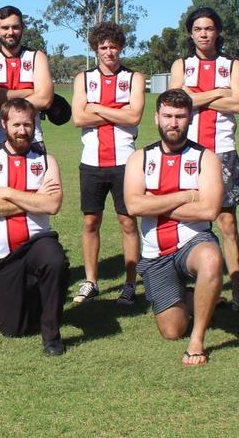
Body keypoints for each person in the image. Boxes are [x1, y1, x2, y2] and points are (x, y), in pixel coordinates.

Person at [124, 90, 223, 366]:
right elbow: (133, 206)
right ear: (156, 117)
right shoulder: (140, 158)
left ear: (189, 118)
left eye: (180, 116)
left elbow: (209, 210)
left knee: (211, 258)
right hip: (156, 253)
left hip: (193, 241)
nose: (173, 122)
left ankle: (197, 340)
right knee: (171, 331)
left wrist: (153, 203)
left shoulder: (206, 158)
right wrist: (184, 195)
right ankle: (200, 295)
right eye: (167, 116)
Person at [0, 98, 70, 357]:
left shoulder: (47, 160)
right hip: (1, 257)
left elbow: (52, 205)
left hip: (37, 243)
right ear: (3, 124)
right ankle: (35, 291)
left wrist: (6, 192)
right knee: (13, 328)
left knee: (55, 259)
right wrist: (32, 198)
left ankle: (52, 336)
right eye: (16, 124)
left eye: (28, 124)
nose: (22, 130)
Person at [170, 7, 239, 311]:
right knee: (186, 220)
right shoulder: (182, 64)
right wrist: (218, 92)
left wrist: (197, 96)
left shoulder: (232, 65)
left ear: (217, 32)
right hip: (188, 154)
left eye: (209, 28)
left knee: (227, 223)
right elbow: (179, 101)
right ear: (191, 34)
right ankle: (185, 288)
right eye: (198, 29)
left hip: (223, 152)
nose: (204, 34)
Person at [71, 21, 145, 306]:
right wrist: (117, 111)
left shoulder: (134, 78)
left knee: (128, 222)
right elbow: (79, 118)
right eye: (103, 47)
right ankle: (91, 281)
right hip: (91, 162)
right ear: (96, 49)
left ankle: (129, 284)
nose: (109, 52)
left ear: (121, 47)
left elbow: (134, 117)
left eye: (113, 46)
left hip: (125, 162)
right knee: (91, 221)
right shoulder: (83, 79)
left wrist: (97, 108)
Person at [0, 6, 53, 148]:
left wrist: (2, 97)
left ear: (23, 27)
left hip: (32, 140)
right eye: (5, 28)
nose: (10, 32)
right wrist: (30, 92)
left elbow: (45, 99)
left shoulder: (37, 57)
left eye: (15, 27)